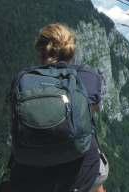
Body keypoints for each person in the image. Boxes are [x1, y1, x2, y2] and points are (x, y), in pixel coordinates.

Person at [8, 23, 108, 192]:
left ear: (40, 50)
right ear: (71, 50)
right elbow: (95, 110)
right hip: (82, 176)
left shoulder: (23, 79)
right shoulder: (89, 76)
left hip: (28, 178)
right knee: (99, 173)